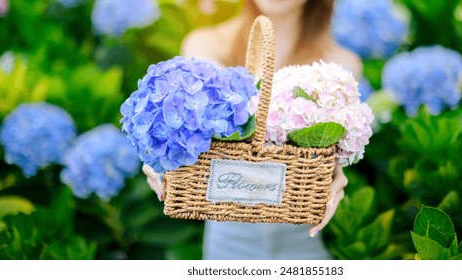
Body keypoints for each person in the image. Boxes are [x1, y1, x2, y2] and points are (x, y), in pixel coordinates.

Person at [143, 0, 361, 259]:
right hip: (226, 244)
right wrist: (160, 158)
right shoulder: (205, 45)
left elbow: (324, 159)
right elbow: (184, 126)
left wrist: (336, 168)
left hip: (302, 245)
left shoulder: (340, 66)